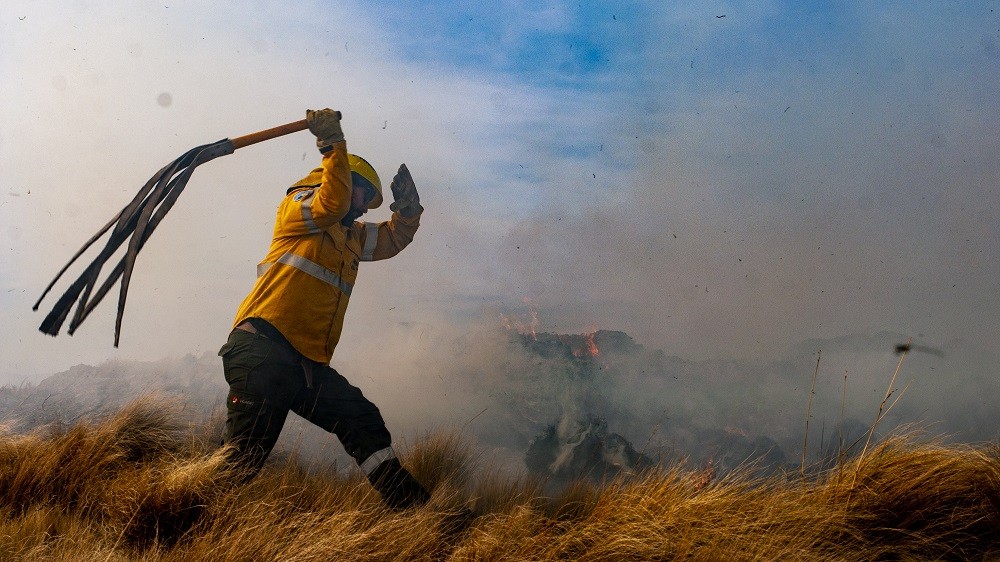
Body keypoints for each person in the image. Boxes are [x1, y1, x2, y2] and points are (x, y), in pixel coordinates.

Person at [218, 108, 430, 509]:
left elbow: (391, 240)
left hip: (304, 365)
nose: (368, 206)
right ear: (343, 182)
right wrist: (332, 144)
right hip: (262, 351)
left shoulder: (349, 236)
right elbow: (329, 205)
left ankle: (417, 513)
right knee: (240, 464)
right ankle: (174, 516)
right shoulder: (298, 210)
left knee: (360, 419)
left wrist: (407, 212)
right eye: (365, 193)